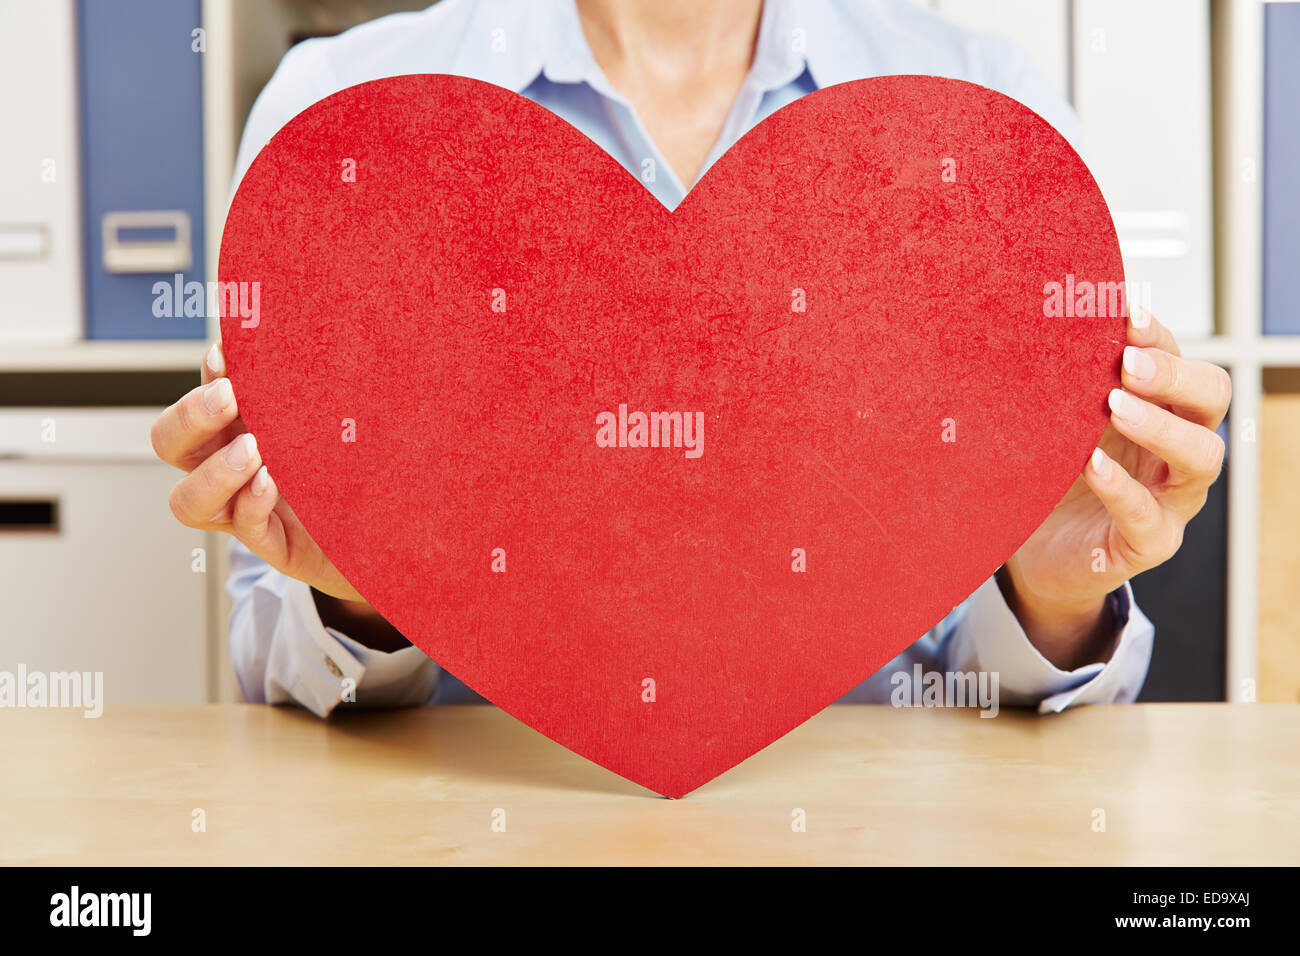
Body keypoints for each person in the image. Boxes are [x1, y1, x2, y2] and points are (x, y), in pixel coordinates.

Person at [151, 0, 1230, 716]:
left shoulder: (988, 123)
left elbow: (978, 700)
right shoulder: (346, 122)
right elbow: (273, 656)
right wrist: (375, 594)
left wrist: (1043, 592)